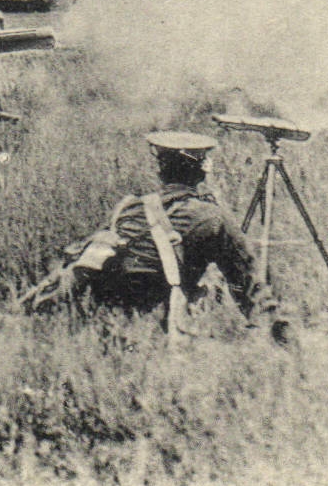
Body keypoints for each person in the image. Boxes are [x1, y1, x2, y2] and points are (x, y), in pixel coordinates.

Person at [23, 131, 276, 334]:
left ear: (161, 170)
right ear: (201, 171)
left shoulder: (130, 206)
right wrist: (272, 326)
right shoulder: (211, 216)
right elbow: (247, 279)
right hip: (158, 301)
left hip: (110, 301)